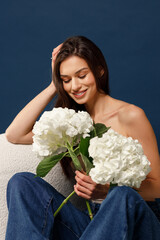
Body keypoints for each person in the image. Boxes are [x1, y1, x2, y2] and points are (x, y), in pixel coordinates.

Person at [5, 36, 160, 240]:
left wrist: (108, 190)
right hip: (93, 223)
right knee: (22, 183)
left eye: (82, 75)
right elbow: (15, 134)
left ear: (99, 70)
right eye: (67, 80)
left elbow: (157, 188)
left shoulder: (130, 116)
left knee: (121, 195)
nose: (75, 86)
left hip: (136, 223)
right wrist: (54, 85)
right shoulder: (73, 123)